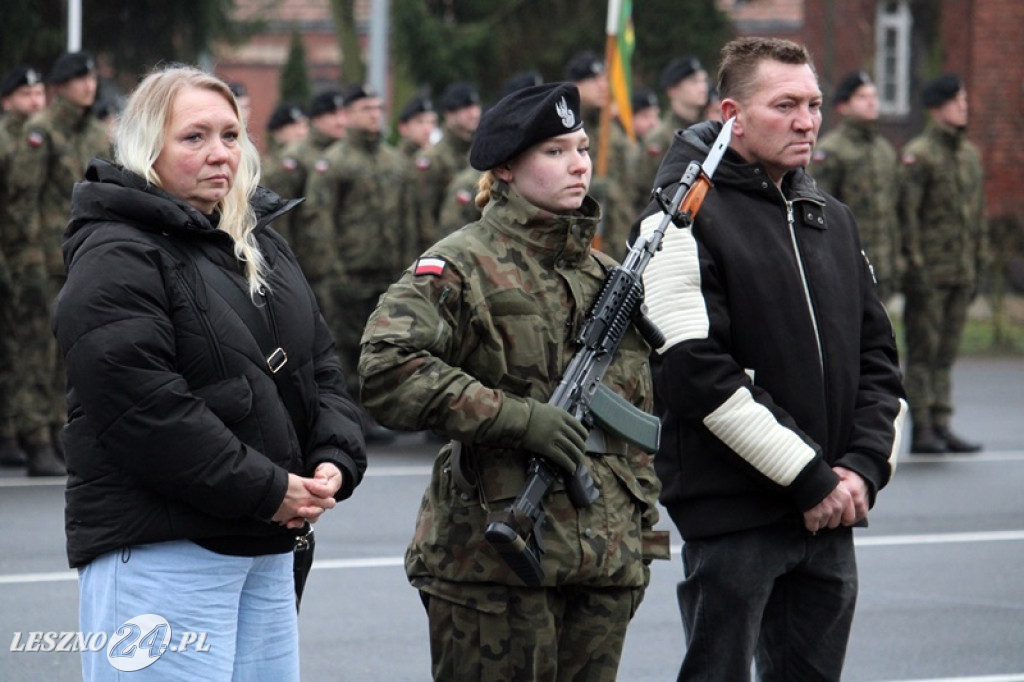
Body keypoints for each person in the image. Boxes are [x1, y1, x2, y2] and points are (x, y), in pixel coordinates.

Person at [52, 64, 366, 681]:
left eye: (231, 135)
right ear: (148, 146)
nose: (219, 153)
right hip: (163, 553)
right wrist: (271, 490)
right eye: (194, 138)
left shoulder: (257, 239)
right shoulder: (117, 253)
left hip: (263, 547)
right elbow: (145, 411)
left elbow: (318, 367)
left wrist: (333, 457)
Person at [359, 82, 667, 682]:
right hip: (492, 566)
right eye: (554, 152)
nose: (579, 163)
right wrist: (518, 419)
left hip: (603, 567)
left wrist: (639, 543)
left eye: (581, 148)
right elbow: (385, 368)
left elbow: (635, 419)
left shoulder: (607, 276)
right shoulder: (460, 264)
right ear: (504, 168)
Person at [632, 37, 907, 680]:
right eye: (785, 105)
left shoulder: (829, 217)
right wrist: (810, 479)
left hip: (833, 509)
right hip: (737, 514)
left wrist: (861, 471)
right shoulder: (677, 219)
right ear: (733, 114)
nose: (808, 121)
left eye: (813, 104)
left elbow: (880, 361)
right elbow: (697, 374)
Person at [7, 51, 111, 472]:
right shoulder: (41, 132)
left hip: (82, 257)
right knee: (37, 351)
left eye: (91, 79)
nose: (88, 86)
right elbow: (21, 201)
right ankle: (35, 438)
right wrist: (23, 258)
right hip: (41, 258)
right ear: (62, 85)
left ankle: (57, 429)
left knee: (69, 352)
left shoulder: (93, 135)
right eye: (79, 80)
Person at [302, 83, 413, 442]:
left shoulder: (394, 160)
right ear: (348, 114)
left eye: (378, 108)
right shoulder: (333, 162)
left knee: (383, 345)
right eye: (366, 109)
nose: (374, 115)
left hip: (387, 272)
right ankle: (350, 419)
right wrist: (331, 271)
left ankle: (376, 412)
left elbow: (407, 217)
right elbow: (320, 220)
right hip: (348, 272)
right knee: (344, 348)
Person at [899, 73, 987, 454]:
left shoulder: (970, 156)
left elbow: (977, 216)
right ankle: (922, 428)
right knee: (922, 352)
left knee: (947, 352)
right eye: (956, 100)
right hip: (929, 272)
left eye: (964, 100)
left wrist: (979, 262)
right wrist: (915, 265)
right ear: (937, 108)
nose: (963, 106)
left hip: (961, 269)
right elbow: (908, 215)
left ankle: (941, 421)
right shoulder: (920, 154)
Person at [811, 71, 901, 301]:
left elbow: (893, 209)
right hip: (847, 261)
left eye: (873, 95)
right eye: (862, 96)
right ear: (843, 106)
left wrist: (896, 258)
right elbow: (819, 209)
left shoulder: (884, 150)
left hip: (882, 263)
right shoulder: (831, 150)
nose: (871, 101)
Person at [0, 64, 47, 470]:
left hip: (34, 259)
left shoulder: (39, 139)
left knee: (29, 347)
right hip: (11, 256)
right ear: (8, 100)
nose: (35, 102)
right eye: (26, 95)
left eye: (39, 94)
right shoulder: (4, 140)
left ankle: (18, 430)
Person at [269, 88, 347, 315]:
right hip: (307, 263)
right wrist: (284, 266)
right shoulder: (296, 157)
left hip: (344, 262)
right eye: (333, 114)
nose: (341, 120)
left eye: (343, 113)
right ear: (317, 119)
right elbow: (279, 217)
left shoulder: (345, 154)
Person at [564, 50, 639, 260]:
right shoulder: (568, 130)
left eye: (604, 78)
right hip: (584, 237)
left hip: (618, 232)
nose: (602, 85)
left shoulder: (610, 129)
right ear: (575, 84)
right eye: (593, 79)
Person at [413, 81, 481, 252]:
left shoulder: (479, 153)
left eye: (475, 106)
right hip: (442, 250)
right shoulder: (433, 159)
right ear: (448, 114)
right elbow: (423, 216)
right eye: (465, 108)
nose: (474, 113)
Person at [639, 55, 709, 204]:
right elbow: (644, 188)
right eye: (694, 82)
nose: (702, 87)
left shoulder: (709, 133)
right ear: (673, 90)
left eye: (703, 80)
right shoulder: (659, 138)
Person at [259, 101, 308, 244]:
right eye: (293, 126)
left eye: (304, 125)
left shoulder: (309, 160)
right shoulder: (268, 166)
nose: (301, 132)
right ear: (277, 131)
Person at [396, 92, 437, 159]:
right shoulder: (393, 162)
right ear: (403, 127)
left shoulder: (438, 160)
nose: (427, 130)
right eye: (420, 122)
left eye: (432, 123)